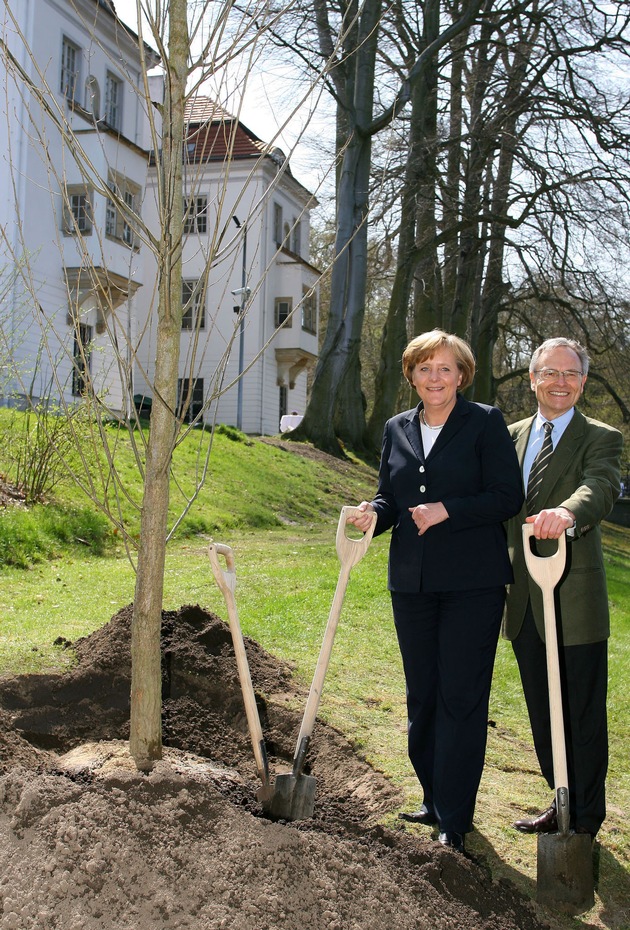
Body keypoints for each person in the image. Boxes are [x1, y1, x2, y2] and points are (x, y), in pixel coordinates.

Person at [348, 330, 523, 853]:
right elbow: (389, 496)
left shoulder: (485, 422)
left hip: (473, 584)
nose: (435, 377)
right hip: (413, 583)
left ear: (462, 375)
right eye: (425, 368)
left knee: (461, 698)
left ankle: (456, 815)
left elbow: (506, 496)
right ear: (411, 375)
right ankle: (430, 795)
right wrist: (371, 515)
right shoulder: (396, 428)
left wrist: (449, 509)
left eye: (445, 368)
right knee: (422, 694)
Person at [503, 337, 623, 840]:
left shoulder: (601, 436)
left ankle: (586, 823)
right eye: (549, 372)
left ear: (583, 383)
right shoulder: (508, 435)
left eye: (570, 374)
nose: (559, 382)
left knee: (581, 715)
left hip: (574, 599)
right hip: (524, 599)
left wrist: (566, 512)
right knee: (542, 709)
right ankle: (560, 800)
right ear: (532, 379)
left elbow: (600, 485)